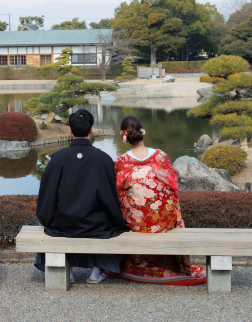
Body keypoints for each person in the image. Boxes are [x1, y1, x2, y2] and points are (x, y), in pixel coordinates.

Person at [110, 115, 206, 285]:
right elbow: (173, 185)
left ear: (124, 137)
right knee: (171, 203)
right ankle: (170, 264)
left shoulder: (121, 161)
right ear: (143, 132)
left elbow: (116, 191)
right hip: (162, 222)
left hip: (136, 223)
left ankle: (134, 264)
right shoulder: (161, 156)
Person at [35, 108, 128, 283]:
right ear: (91, 130)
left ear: (70, 130)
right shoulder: (103, 158)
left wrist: (47, 218)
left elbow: (48, 194)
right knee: (108, 225)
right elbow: (109, 197)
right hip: (95, 224)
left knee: (57, 227)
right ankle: (96, 271)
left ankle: (67, 271)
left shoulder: (57, 158)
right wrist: (119, 221)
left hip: (63, 223)